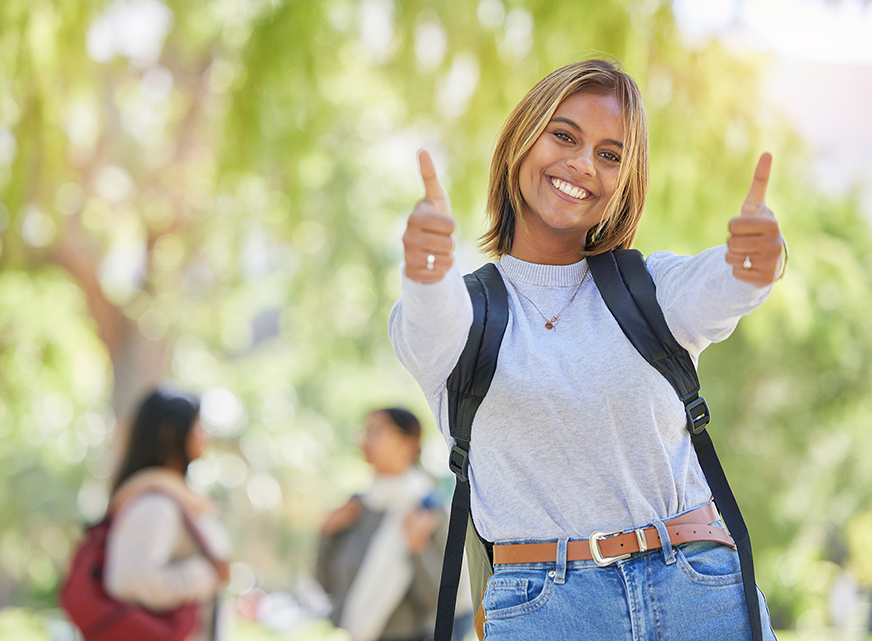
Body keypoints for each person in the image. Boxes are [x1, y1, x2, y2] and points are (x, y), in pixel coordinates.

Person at [389, 58, 785, 640]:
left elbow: (725, 283)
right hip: (546, 610)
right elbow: (429, 316)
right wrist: (425, 268)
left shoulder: (650, 290)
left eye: (610, 154)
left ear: (626, 180)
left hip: (699, 593)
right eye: (565, 136)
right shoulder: (464, 314)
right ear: (522, 142)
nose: (582, 165)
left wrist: (757, 262)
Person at [316, 408, 472, 641]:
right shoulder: (354, 508)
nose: (364, 439)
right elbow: (326, 585)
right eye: (364, 431)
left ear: (409, 442)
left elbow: (445, 602)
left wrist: (418, 549)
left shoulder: (429, 510)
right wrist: (326, 535)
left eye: (376, 431)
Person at [103, 389, 232, 641]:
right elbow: (134, 581)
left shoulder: (173, 499)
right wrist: (208, 574)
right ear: (170, 433)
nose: (206, 435)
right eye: (197, 425)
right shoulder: (154, 506)